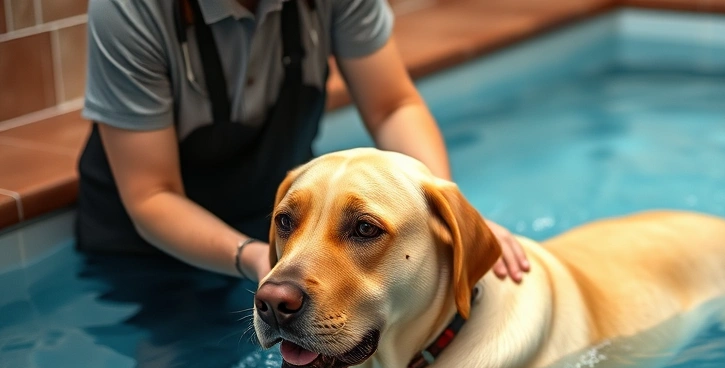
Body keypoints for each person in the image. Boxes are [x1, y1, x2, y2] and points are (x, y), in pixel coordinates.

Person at [76, 0, 530, 284]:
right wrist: (257, 258)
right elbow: (153, 194)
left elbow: (392, 106)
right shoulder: (129, 8)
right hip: (147, 254)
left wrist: (445, 214)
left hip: (289, 231)